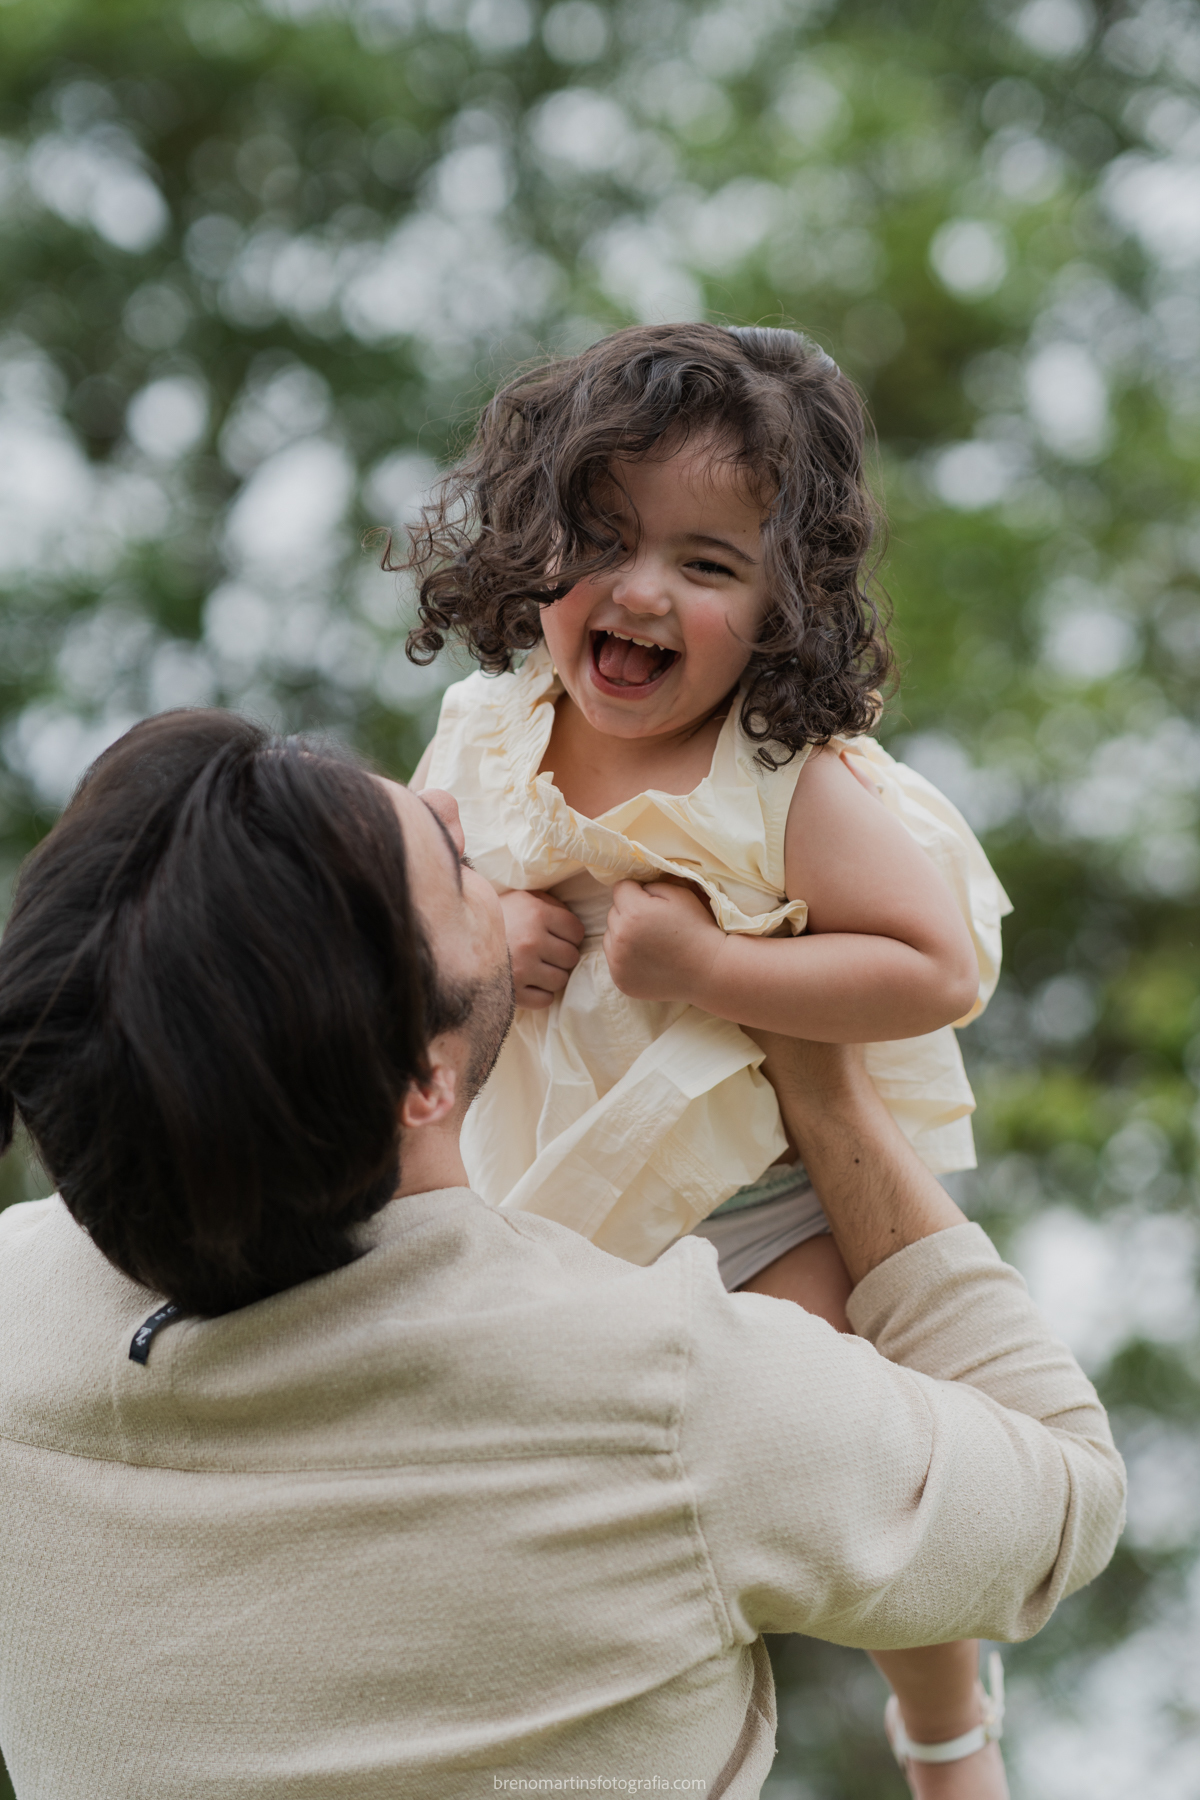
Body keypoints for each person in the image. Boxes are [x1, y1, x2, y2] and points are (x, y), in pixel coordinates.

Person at [0, 711, 1123, 1800]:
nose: (453, 804)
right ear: (424, 1081)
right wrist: (826, 1092)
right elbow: (1065, 1496)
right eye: (449, 861)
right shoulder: (667, 1392)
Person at [404, 322, 1013, 1789]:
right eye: (602, 538)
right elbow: (420, 890)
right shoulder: (489, 735)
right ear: (533, 548)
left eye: (707, 564)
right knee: (596, 1489)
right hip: (575, 1193)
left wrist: (715, 966)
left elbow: (935, 966)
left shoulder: (781, 779)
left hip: (775, 1198)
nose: (640, 591)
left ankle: (946, 1725)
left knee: (842, 1447)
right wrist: (499, 916)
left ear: (784, 607)